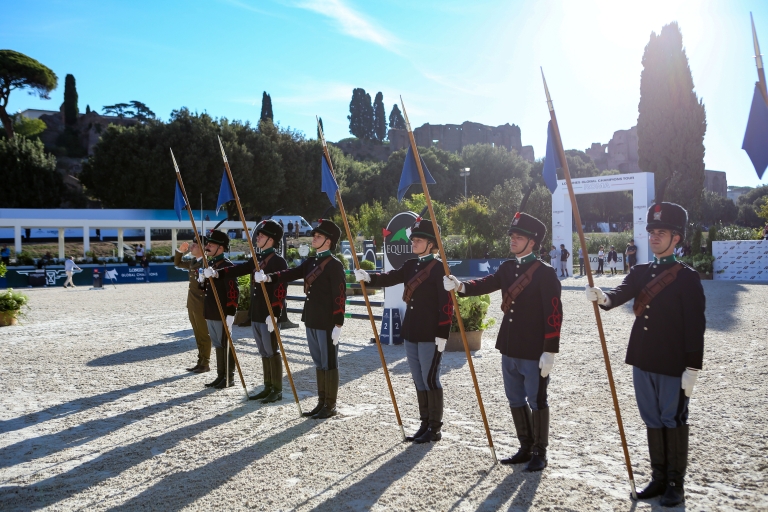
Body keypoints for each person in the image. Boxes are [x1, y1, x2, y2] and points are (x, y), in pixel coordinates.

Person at [586, 202, 705, 507]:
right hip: (642, 358)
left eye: (662, 232)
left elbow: (695, 326)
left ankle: (675, 484)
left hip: (673, 362)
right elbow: (620, 293)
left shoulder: (687, 277)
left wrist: (692, 367)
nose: (654, 236)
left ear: (676, 238)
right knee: (652, 418)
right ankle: (658, 478)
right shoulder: (640, 271)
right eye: (652, 231)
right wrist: (603, 297)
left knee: (672, 419)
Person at [444, 212, 562, 471]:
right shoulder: (508, 268)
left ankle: (540, 453)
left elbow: (553, 314)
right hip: (509, 346)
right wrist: (461, 286)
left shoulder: (545, 273)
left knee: (537, 400)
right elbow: (487, 283)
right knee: (515, 398)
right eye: (512, 236)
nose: (513, 240)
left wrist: (550, 350)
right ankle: (525, 447)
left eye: (519, 237)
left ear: (532, 242)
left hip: (533, 349)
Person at [356, 217, 451, 444]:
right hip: (411, 331)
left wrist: (443, 333)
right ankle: (424, 424)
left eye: (418, 240)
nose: (413, 243)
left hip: (430, 333)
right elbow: (391, 277)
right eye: (413, 239)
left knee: (430, 379)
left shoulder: (440, 268)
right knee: (418, 379)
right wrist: (369, 277)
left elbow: (446, 305)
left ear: (431, 244)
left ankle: (435, 428)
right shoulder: (410, 265)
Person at [255, 219, 346, 419]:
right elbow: (291, 273)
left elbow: (339, 295)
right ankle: (321, 402)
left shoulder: (334, 265)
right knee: (319, 363)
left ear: (329, 241)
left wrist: (338, 323)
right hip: (311, 318)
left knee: (329, 363)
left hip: (327, 321)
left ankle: (330, 405)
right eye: (314, 235)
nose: (314, 238)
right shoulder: (312, 262)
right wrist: (270, 277)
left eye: (318, 236)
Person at [210, 220, 288, 403]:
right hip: (257, 312)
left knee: (272, 350)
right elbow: (238, 269)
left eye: (261, 235)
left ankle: (277, 389)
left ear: (271, 239)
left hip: (269, 314)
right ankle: (267, 386)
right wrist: (217, 273)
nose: (257, 237)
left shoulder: (278, 261)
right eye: (258, 234)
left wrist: (275, 314)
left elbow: (281, 290)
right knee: (264, 351)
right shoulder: (256, 259)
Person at [201, 230, 239, 389]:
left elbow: (233, 291)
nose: (207, 246)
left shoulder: (226, 266)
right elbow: (206, 289)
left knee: (225, 344)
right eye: (208, 244)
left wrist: (231, 313)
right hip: (211, 311)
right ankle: (220, 375)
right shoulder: (211, 265)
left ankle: (229, 377)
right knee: (218, 344)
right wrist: (201, 280)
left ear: (221, 248)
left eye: (211, 244)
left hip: (222, 312)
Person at [174, 240, 212, 373]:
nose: (191, 247)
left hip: (202, 303)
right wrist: (180, 251)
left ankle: (205, 363)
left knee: (204, 334)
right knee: (197, 333)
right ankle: (200, 361)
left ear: (202, 247)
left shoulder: (206, 263)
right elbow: (177, 263)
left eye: (195, 245)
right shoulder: (193, 262)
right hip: (192, 303)